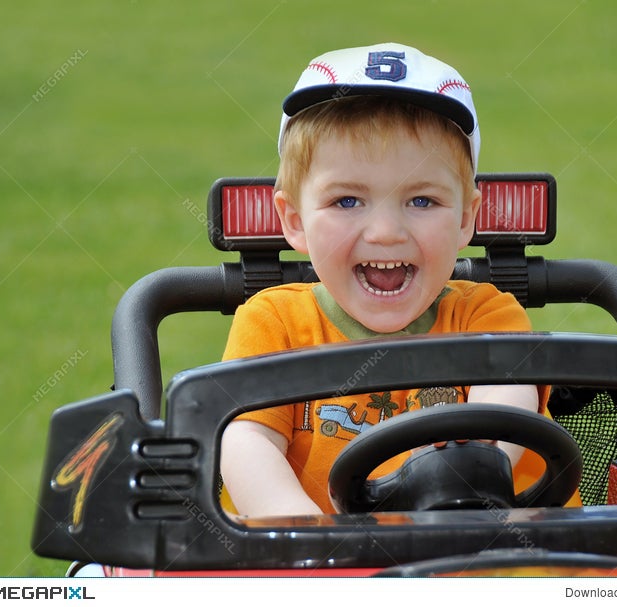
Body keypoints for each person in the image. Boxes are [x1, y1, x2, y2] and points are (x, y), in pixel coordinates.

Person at [219, 42, 573, 518]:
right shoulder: (276, 324)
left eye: (422, 201)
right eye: (347, 201)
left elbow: (508, 406)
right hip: (324, 573)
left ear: (467, 218)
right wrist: (305, 536)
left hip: (474, 556)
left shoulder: (485, 316)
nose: (386, 233)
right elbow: (246, 440)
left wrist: (467, 482)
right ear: (295, 220)